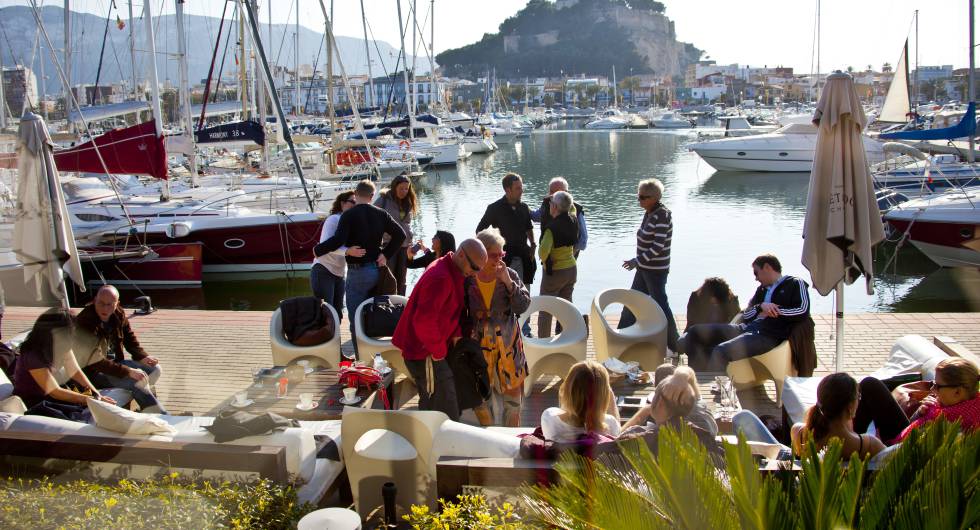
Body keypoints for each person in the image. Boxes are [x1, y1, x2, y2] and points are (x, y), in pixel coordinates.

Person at [393, 239, 488, 421]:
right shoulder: (441, 277)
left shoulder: (450, 267)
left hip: (430, 349)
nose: (476, 274)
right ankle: (438, 445)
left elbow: (449, 310)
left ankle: (432, 443)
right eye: (475, 267)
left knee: (437, 404)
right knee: (444, 410)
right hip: (424, 353)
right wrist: (439, 351)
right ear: (461, 255)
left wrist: (456, 334)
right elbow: (424, 321)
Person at [315, 179, 407, 351]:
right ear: (372, 196)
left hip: (357, 273)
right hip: (376, 271)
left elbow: (338, 240)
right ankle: (377, 355)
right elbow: (400, 235)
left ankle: (361, 359)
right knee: (374, 315)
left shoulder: (349, 215)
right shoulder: (381, 213)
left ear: (356, 195)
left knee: (356, 318)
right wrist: (384, 255)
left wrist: (318, 250)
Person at [677, 254, 810, 372]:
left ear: (767, 267)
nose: (756, 278)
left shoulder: (795, 283)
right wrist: (761, 307)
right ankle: (695, 377)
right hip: (744, 328)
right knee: (695, 332)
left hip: (768, 335)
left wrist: (775, 311)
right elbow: (746, 314)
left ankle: (716, 390)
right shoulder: (762, 290)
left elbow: (803, 310)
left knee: (720, 351)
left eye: (756, 273)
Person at [465, 228, 531, 427]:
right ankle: (489, 434)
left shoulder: (508, 274)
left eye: (502, 253)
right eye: (495, 254)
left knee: (512, 392)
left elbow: (523, 305)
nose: (500, 259)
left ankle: (511, 435)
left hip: (508, 341)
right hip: (478, 344)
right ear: (481, 254)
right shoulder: (468, 278)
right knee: (479, 392)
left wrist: (508, 283)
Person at [76, 285, 167, 414]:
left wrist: (142, 356)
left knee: (155, 369)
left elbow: (129, 338)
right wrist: (127, 371)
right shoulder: (85, 322)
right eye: (101, 303)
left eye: (110, 304)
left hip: (115, 364)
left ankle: (145, 407)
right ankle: (161, 416)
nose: (105, 308)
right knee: (136, 382)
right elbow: (95, 361)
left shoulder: (118, 313)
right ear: (95, 300)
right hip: (94, 373)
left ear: (117, 303)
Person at [854, 358, 980, 445]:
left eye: (937, 386)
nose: (932, 389)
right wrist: (920, 413)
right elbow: (911, 427)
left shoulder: (962, 423)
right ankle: (853, 437)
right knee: (870, 384)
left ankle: (851, 442)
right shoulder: (952, 405)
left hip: (900, 452)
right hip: (904, 438)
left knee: (870, 385)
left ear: (957, 392)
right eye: (932, 384)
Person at [13, 309, 119, 411]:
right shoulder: (33, 354)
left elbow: (75, 371)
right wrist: (93, 400)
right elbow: (54, 391)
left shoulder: (62, 345)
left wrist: (97, 395)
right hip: (34, 400)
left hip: (52, 394)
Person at [619, 178, 679, 352]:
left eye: (643, 197)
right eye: (638, 196)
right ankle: (621, 338)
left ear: (655, 197)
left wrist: (636, 261)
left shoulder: (662, 215)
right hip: (644, 268)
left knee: (661, 305)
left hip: (655, 271)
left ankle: (675, 345)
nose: (639, 200)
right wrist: (638, 262)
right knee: (633, 301)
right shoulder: (650, 212)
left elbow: (658, 247)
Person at [790, 372, 885, 459]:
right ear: (850, 407)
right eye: (858, 397)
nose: (859, 401)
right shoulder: (869, 445)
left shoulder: (798, 434)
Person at [311, 191, 366, 319]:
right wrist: (347, 251)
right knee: (326, 313)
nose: (355, 204)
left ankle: (335, 338)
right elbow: (325, 246)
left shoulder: (352, 222)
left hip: (340, 272)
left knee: (338, 313)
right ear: (342, 203)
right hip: (323, 269)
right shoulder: (334, 219)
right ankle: (323, 339)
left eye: (356, 202)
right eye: (352, 201)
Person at [476, 173, 536, 289]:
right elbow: (479, 231)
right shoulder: (494, 208)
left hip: (524, 258)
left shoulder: (524, 207)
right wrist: (490, 249)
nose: (521, 191)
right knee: (504, 292)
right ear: (508, 190)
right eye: (518, 188)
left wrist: (533, 244)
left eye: (521, 187)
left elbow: (529, 228)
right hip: (504, 259)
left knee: (524, 293)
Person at [622, 364, 717, 435]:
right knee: (665, 370)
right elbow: (696, 396)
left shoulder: (638, 436)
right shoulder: (704, 424)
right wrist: (681, 376)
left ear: (660, 403)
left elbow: (614, 441)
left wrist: (645, 411)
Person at [541, 360, 622, 443]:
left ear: (566, 390)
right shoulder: (611, 424)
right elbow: (617, 434)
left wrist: (573, 398)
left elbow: (567, 409)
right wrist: (611, 401)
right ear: (604, 396)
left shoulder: (549, 418)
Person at [537, 191, 579, 338]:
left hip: (555, 272)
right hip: (571, 269)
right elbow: (571, 207)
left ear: (554, 207)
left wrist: (542, 253)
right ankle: (569, 337)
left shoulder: (551, 229)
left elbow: (542, 252)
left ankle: (543, 342)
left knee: (546, 309)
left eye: (551, 203)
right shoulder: (573, 219)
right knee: (566, 307)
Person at [374, 174, 418, 295]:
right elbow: (372, 220)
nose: (404, 191)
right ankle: (388, 305)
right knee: (389, 276)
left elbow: (407, 225)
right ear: (394, 187)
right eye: (401, 188)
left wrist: (411, 244)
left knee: (402, 278)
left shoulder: (408, 202)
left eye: (406, 188)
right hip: (389, 244)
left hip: (404, 246)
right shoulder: (382, 201)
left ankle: (401, 306)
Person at [530, 176, 587, 257]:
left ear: (566, 193)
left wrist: (568, 256)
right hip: (548, 260)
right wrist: (523, 206)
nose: (553, 195)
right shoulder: (547, 203)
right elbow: (537, 216)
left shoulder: (576, 209)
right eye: (551, 191)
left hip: (568, 261)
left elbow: (583, 242)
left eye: (557, 192)